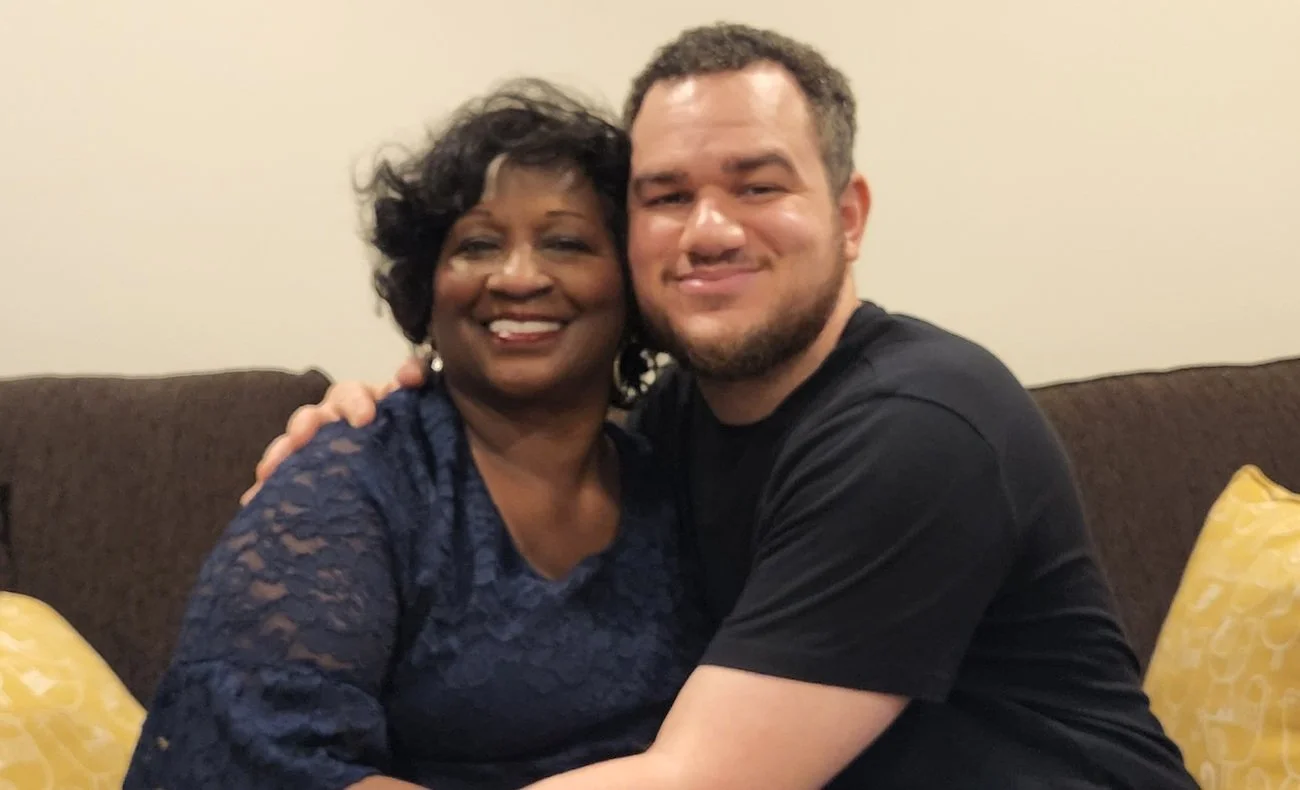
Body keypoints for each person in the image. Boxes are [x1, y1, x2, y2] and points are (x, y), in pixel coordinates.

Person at [247, 23, 1199, 790]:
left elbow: (696, 780)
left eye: (758, 185)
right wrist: (382, 420)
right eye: (667, 196)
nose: (708, 231)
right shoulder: (674, 420)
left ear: (849, 216)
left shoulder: (921, 425)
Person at [122, 81, 711, 790]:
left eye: (565, 243)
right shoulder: (352, 483)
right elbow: (250, 761)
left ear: (632, 284)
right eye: (478, 245)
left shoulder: (672, 482)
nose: (517, 276)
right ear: (427, 288)